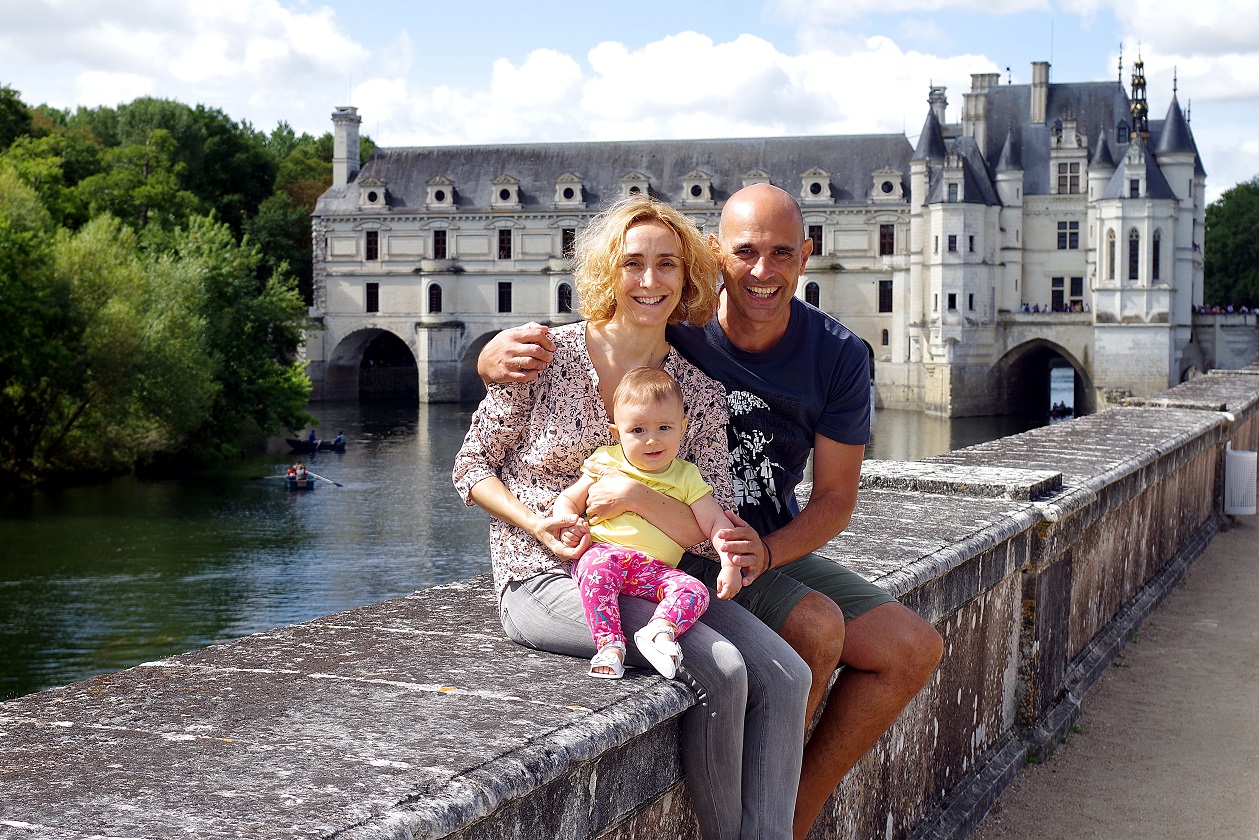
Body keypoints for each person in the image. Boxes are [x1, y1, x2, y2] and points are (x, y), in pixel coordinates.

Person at [480, 183, 944, 839]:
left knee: (911, 649)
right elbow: (604, 318)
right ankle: (768, 821)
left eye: (781, 253)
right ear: (714, 253)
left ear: (806, 256)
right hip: (682, 550)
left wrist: (768, 551)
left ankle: (787, 820)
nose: (762, 271)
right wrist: (494, 355)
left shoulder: (836, 354)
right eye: (746, 252)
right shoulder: (675, 326)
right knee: (811, 629)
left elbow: (837, 498)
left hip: (758, 544)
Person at [454, 194, 811, 840]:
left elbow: (711, 528)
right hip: (545, 576)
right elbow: (470, 467)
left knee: (790, 675)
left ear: (687, 278)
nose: (650, 281)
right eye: (633, 263)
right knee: (724, 669)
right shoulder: (543, 356)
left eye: (667, 265)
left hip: (657, 577)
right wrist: (535, 524)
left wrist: (642, 502)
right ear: (606, 272)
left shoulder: (697, 393)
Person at [555, 366, 743, 680]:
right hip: (605, 553)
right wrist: (567, 522)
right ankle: (610, 645)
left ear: (683, 428)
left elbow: (715, 523)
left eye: (664, 428)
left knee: (695, 590)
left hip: (654, 570)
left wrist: (729, 564)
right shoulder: (607, 461)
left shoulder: (685, 476)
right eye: (638, 430)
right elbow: (569, 499)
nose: (652, 440)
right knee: (596, 571)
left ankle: (660, 631)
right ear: (617, 433)